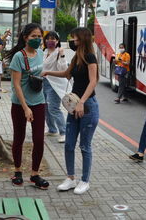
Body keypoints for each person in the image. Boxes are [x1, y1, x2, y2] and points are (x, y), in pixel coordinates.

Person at [42, 27, 99, 195]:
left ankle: (85, 181)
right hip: (74, 105)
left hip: (88, 105)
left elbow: (93, 81)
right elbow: (67, 74)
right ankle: (70, 178)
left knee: (84, 146)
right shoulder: (76, 57)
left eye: (74, 38)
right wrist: (48, 72)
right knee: (68, 144)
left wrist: (82, 101)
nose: (72, 42)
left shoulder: (90, 57)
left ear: (82, 39)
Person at [8, 23, 49, 190]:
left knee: (39, 139)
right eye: (33, 36)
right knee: (19, 137)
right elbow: (16, 85)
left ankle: (34, 174)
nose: (37, 39)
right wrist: (25, 108)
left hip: (39, 101)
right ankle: (17, 171)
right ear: (25, 37)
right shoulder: (19, 56)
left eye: (39, 36)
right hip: (20, 104)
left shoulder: (40, 53)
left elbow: (40, 73)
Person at [42, 31, 67, 143]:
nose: (50, 41)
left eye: (53, 39)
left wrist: (62, 55)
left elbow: (63, 69)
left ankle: (64, 132)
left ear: (57, 41)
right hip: (43, 82)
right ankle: (52, 129)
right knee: (46, 107)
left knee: (54, 108)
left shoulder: (58, 52)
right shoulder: (44, 51)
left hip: (54, 84)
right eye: (48, 38)